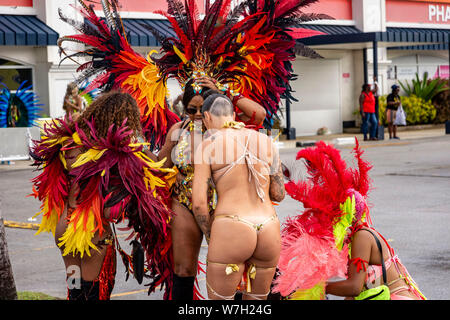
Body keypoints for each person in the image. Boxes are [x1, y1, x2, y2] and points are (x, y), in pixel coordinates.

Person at [31, 91, 174, 300]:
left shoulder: (69, 144)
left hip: (64, 224)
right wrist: (169, 145)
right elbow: (158, 169)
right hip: (91, 230)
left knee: (75, 286)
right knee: (95, 291)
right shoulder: (116, 151)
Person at [272, 139, 425, 301]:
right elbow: (359, 292)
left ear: (344, 215)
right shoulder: (358, 237)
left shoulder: (362, 237)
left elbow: (354, 287)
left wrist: (319, 287)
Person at [157, 77, 266, 300]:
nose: (197, 114)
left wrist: (225, 91)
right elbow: (160, 165)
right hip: (185, 203)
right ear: (183, 106)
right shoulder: (178, 130)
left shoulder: (227, 128)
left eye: (201, 108)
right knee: (183, 269)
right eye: (191, 109)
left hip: (222, 204)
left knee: (230, 267)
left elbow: (259, 115)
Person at [192, 93, 285, 300]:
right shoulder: (266, 141)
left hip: (232, 227)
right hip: (268, 226)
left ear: (206, 117)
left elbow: (198, 204)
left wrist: (211, 234)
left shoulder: (207, 145)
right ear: (233, 114)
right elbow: (279, 193)